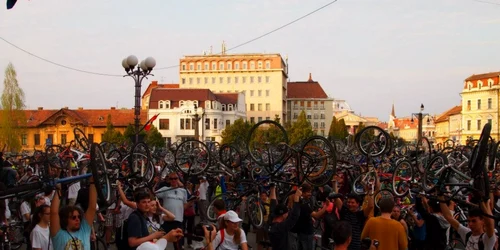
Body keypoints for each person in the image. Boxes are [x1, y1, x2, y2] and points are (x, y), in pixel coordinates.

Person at [50, 178, 97, 250]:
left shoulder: (84, 230)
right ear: (65, 220)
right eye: (73, 217)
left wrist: (93, 182)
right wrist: (58, 190)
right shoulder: (59, 235)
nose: (77, 219)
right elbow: (54, 213)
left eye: (78, 217)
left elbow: (92, 208)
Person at [155, 173, 193, 250]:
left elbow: (184, 206)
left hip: (178, 221)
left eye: (175, 178)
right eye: (171, 179)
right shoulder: (165, 189)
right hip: (166, 220)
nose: (173, 180)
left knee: (178, 245)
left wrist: (192, 201)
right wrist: (155, 183)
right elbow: (153, 194)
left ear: (178, 179)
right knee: (159, 242)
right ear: (169, 180)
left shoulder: (183, 191)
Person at [290, 183, 329, 250]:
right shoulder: (304, 205)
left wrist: (309, 217)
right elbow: (316, 215)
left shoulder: (297, 202)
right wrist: (326, 206)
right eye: (308, 192)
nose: (310, 194)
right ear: (302, 193)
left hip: (300, 232)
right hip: (307, 233)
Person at [268, 185, 302, 250]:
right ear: (283, 215)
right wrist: (297, 197)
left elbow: (273, 204)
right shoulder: (281, 227)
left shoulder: (271, 221)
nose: (287, 214)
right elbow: (294, 216)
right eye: (287, 213)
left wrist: (272, 188)